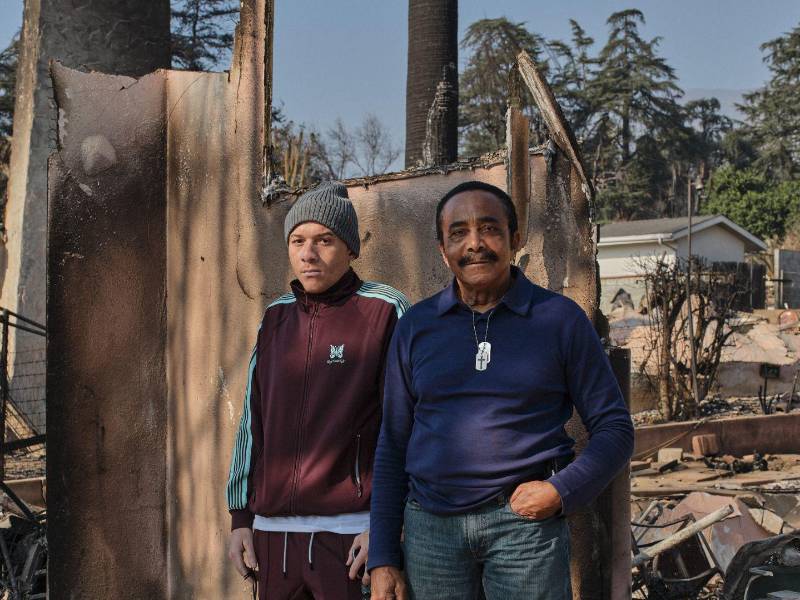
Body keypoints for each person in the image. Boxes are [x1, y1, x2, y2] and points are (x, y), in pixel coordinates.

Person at [368, 181, 634, 600]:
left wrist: (560, 491)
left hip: (524, 531)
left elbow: (615, 429)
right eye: (458, 233)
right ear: (442, 249)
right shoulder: (415, 327)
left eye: (489, 228)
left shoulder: (558, 320)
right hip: (430, 533)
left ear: (515, 238)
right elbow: (393, 443)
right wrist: (382, 555)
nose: (475, 244)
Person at [227, 181, 410, 600]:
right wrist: (241, 517)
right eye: (298, 240)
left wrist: (387, 525)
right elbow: (252, 423)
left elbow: (409, 424)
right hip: (272, 538)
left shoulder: (384, 309)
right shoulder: (274, 318)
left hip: (349, 537)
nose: (308, 254)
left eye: (325, 240)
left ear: (350, 248)